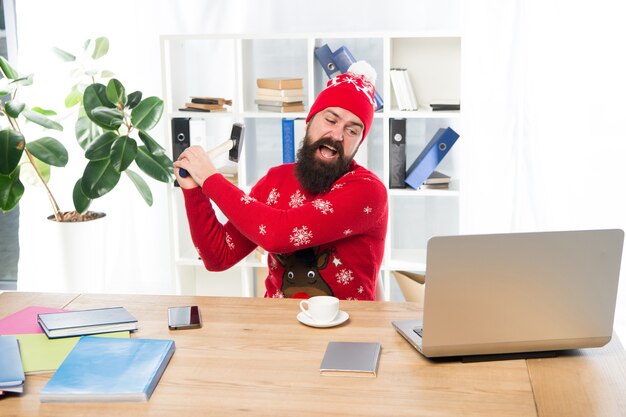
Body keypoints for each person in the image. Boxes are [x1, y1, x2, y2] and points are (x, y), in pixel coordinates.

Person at [174, 61, 388, 300]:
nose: (337, 135)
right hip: (278, 326)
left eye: (352, 131)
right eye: (331, 120)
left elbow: (277, 234)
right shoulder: (275, 181)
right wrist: (193, 190)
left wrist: (211, 179)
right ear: (309, 121)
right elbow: (218, 256)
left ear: (359, 143)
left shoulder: (367, 191)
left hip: (348, 328)